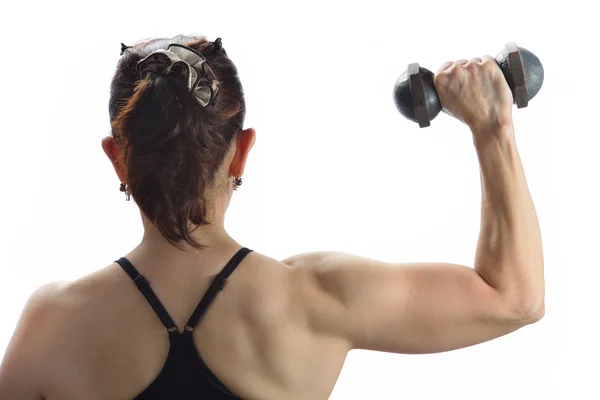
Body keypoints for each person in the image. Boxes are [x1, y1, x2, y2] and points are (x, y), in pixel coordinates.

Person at [0, 34, 545, 400]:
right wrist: (492, 128)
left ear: (116, 156)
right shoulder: (317, 299)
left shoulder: (53, 325)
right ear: (241, 151)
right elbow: (513, 299)